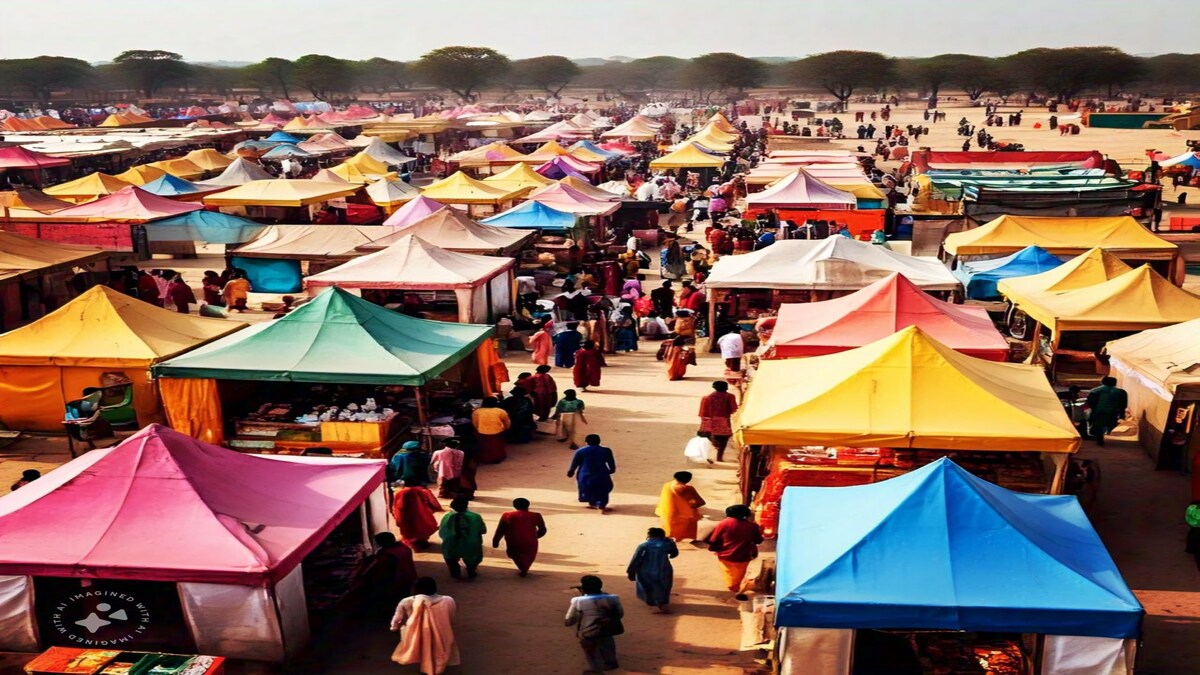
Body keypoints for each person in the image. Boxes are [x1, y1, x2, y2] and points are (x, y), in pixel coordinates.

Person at [390, 576, 460, 674]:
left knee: (422, 649)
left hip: (414, 634)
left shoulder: (406, 601)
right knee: (438, 650)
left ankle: (425, 668)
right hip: (442, 631)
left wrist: (394, 628)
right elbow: (451, 617)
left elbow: (396, 620)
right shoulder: (448, 600)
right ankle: (436, 669)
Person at [565, 575, 624, 674]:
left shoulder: (577, 600)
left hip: (588, 632)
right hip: (608, 630)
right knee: (607, 643)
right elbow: (620, 614)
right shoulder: (614, 598)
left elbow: (568, 621)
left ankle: (596, 669)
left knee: (590, 649)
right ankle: (610, 665)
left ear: (583, 589)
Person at [706, 505, 764, 593]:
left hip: (725, 555)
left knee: (728, 574)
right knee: (739, 575)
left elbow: (713, 539)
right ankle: (740, 587)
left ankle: (736, 587)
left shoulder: (723, 523)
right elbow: (758, 540)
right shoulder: (752, 526)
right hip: (743, 555)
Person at [359, 532, 418, 618]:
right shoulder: (404, 548)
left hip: (396, 582)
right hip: (409, 577)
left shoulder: (387, 554)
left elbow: (382, 572)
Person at [626, 528, 679, 613]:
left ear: (649, 535)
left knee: (649, 587)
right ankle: (662, 603)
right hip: (664, 569)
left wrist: (630, 571)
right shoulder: (668, 544)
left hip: (646, 569)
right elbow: (674, 554)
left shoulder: (644, 546)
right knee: (663, 586)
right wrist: (669, 541)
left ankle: (655, 603)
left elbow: (635, 559)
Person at [491, 498, 548, 577]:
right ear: (528, 505)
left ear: (514, 506)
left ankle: (522, 568)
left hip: (513, 540)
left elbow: (501, 529)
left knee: (514, 554)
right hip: (530, 541)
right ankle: (525, 569)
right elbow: (543, 529)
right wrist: (535, 536)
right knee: (528, 555)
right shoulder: (536, 515)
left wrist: (495, 541)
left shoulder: (507, 515)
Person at [438, 498, 487, 580]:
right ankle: (471, 569)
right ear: (466, 505)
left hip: (451, 544)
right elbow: (483, 530)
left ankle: (455, 572)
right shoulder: (475, 517)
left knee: (450, 558)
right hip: (471, 544)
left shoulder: (447, 517)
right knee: (473, 557)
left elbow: (442, 532)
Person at [568, 434, 617, 512]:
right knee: (603, 490)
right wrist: (611, 470)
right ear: (599, 441)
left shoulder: (580, 451)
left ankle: (593, 502)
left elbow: (574, 465)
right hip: (602, 475)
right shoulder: (606, 451)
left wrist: (571, 472)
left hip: (585, 476)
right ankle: (602, 505)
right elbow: (612, 465)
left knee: (588, 489)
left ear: (586, 442)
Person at [391, 478, 443, 549]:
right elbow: (427, 502)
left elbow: (399, 506)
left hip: (407, 515)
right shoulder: (420, 490)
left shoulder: (400, 493)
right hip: (420, 513)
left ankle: (414, 542)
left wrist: (398, 516)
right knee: (421, 528)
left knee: (410, 530)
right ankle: (420, 541)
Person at [655, 471, 706, 542]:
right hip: (683, 515)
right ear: (688, 479)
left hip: (667, 513)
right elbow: (700, 502)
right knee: (687, 529)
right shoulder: (687, 488)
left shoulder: (667, 485)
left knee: (670, 530)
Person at [699, 381, 739, 461]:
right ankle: (719, 457)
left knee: (711, 437)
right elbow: (734, 410)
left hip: (710, 420)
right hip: (724, 421)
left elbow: (702, 412)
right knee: (724, 440)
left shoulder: (706, 397)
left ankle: (715, 445)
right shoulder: (730, 396)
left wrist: (704, 422)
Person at [1086, 376, 1129, 446]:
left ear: (1102, 382)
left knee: (1097, 425)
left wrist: (1093, 410)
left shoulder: (1095, 390)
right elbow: (1123, 405)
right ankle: (1105, 433)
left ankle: (1099, 438)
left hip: (1098, 411)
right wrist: (1122, 415)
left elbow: (1090, 403)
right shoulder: (1121, 392)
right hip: (1113, 412)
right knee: (1108, 423)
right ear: (1115, 383)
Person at [472, 397, 511, 463]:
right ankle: (497, 457)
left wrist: (477, 430)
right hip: (497, 432)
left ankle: (485, 459)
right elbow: (507, 422)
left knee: (484, 447)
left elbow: (475, 423)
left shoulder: (477, 412)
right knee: (497, 447)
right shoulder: (500, 411)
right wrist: (506, 428)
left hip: (482, 432)